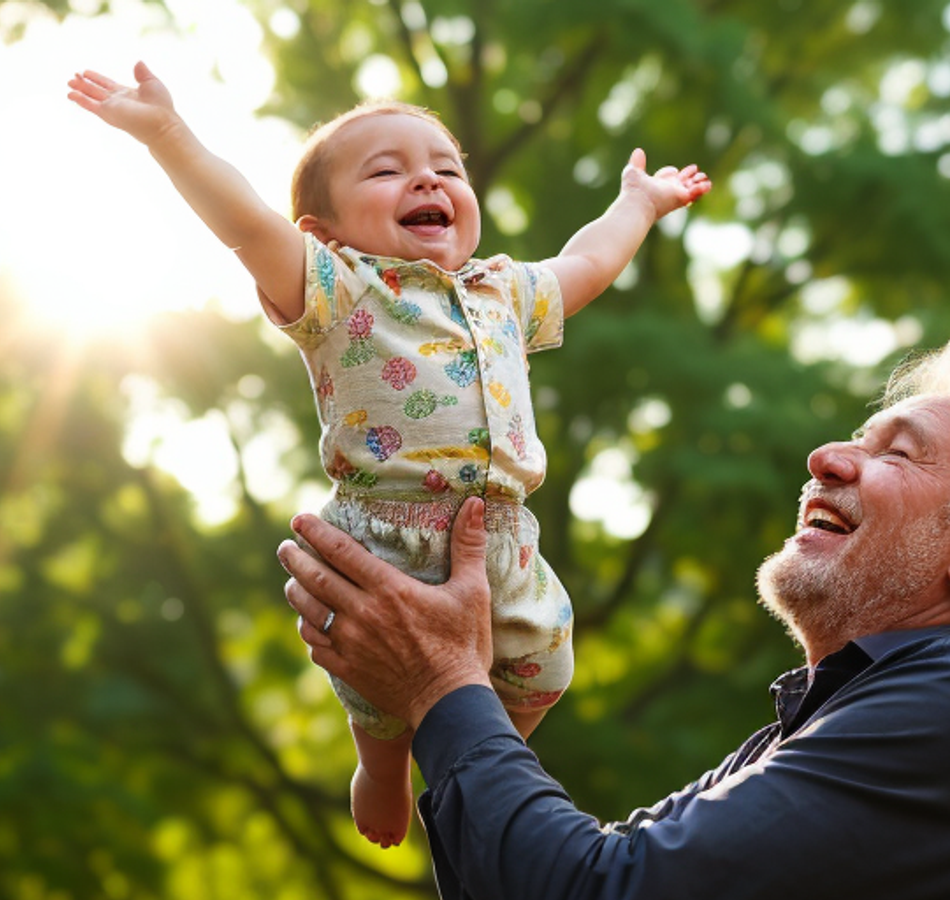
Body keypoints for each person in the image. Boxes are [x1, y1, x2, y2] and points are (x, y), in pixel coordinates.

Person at [66, 62, 711, 848]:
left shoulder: (500, 293)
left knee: (546, 666)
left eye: (445, 168)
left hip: (503, 532)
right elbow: (246, 224)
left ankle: (480, 768)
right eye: (387, 170)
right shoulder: (338, 289)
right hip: (388, 534)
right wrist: (168, 134)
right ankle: (381, 766)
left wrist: (637, 205)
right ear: (322, 230)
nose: (426, 180)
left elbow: (586, 264)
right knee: (377, 690)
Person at [278, 333, 950, 899]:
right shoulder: (822, 723)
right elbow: (575, 872)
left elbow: (594, 890)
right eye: (856, 437)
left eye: (896, 451)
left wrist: (440, 681)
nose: (826, 457)